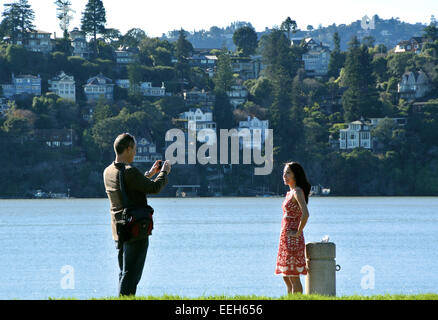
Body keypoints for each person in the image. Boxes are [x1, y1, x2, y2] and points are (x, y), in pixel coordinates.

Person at [103, 133, 171, 297]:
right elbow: (154, 188)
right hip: (135, 228)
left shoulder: (108, 171)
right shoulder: (130, 171)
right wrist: (164, 173)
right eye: (134, 149)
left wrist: (149, 174)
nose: (135, 153)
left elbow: (126, 186)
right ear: (127, 149)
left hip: (119, 229)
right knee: (132, 275)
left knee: (124, 272)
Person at [275, 162, 311, 294]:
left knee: (293, 277)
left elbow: (306, 214)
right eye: (284, 173)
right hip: (285, 238)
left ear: (295, 175)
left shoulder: (297, 192)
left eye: (288, 173)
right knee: (286, 276)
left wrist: (298, 232)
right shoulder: (289, 193)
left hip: (293, 239)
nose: (285, 175)